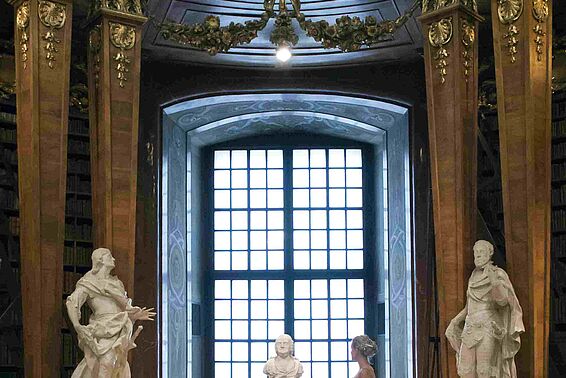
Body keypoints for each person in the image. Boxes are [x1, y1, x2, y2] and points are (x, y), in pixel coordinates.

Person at [65, 248, 155, 377]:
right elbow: (72, 302)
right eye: (109, 256)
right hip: (101, 328)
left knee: (116, 364)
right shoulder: (89, 283)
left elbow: (124, 308)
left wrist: (135, 315)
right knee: (103, 363)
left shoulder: (117, 283)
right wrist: (77, 325)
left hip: (119, 326)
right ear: (100, 260)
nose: (113, 259)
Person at [445, 240, 524, 377]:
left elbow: (503, 302)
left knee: (483, 370)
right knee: (465, 370)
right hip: (470, 326)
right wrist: (455, 321)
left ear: (490, 254)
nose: (478, 255)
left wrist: (495, 283)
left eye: (481, 251)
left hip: (487, 325)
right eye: (476, 252)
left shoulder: (498, 273)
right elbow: (469, 306)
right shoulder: (473, 275)